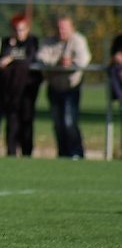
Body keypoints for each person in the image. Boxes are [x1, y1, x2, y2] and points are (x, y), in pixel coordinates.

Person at [37, 15, 91, 159]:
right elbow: (41, 58)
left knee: (69, 121)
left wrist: (69, 63)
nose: (61, 31)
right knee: (58, 123)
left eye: (64, 28)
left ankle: (76, 152)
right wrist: (58, 63)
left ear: (72, 28)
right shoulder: (49, 41)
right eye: (59, 28)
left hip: (71, 88)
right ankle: (63, 153)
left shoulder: (78, 40)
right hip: (54, 87)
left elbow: (83, 60)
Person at [0, 14, 42, 156]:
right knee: (11, 120)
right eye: (15, 29)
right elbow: (1, 60)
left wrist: (12, 58)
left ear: (27, 29)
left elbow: (29, 59)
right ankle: (11, 152)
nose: (18, 33)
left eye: (21, 29)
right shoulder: (7, 42)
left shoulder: (32, 41)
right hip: (10, 89)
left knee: (27, 118)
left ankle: (27, 152)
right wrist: (10, 47)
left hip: (27, 88)